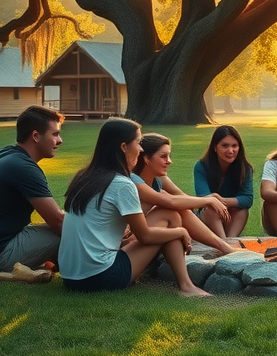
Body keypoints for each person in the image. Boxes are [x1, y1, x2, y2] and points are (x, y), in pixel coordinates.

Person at [59, 119, 208, 296]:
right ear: (124, 147)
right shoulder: (121, 184)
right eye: (138, 143)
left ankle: (185, 284)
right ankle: (186, 286)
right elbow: (144, 236)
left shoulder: (85, 177)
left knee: (168, 213)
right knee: (170, 217)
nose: (141, 149)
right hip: (100, 276)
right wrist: (181, 232)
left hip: (70, 277)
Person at [0, 105, 66, 275]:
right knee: (67, 234)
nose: (60, 141)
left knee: (67, 228)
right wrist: (101, 232)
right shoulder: (24, 168)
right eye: (55, 134)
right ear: (36, 136)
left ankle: (34, 269)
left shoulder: (7, 154)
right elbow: (58, 222)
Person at [131, 133, 237, 255]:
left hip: (145, 235)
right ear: (146, 159)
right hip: (131, 241)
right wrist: (208, 201)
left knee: (180, 210)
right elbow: (170, 201)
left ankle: (223, 245)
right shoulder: (134, 182)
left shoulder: (156, 182)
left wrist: (209, 198)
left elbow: (180, 199)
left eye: (169, 156)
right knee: (170, 211)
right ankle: (223, 246)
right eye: (163, 156)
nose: (169, 161)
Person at [195, 125, 253, 238]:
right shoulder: (202, 166)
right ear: (215, 147)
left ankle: (230, 241)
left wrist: (220, 201)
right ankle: (223, 242)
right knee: (211, 208)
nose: (231, 151)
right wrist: (214, 203)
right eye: (225, 146)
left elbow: (247, 199)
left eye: (234, 146)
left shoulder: (244, 168)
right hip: (208, 217)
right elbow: (204, 197)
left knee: (242, 211)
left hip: (231, 216)